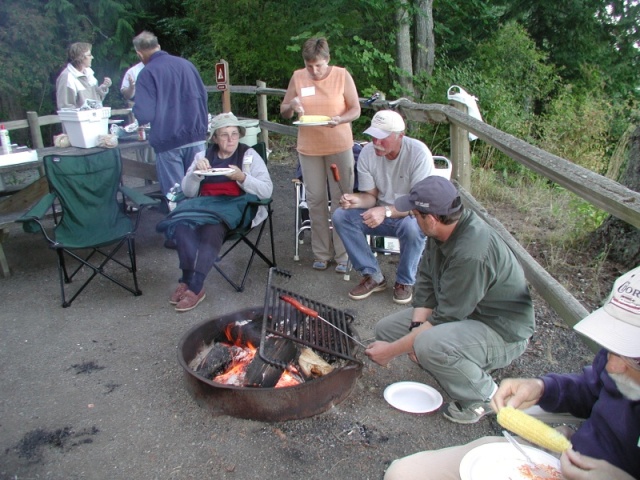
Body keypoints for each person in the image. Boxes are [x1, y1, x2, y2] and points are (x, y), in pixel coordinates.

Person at [383, 265, 640, 480]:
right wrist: (542, 387)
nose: (612, 366)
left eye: (634, 359)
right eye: (611, 349)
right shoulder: (615, 362)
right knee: (403, 473)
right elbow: (591, 389)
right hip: (563, 457)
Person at [365, 176, 535, 422]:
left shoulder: (471, 254)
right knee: (387, 329)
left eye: (415, 214)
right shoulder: (441, 232)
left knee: (428, 344)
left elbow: (445, 318)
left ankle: (485, 397)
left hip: (502, 331)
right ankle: (457, 360)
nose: (412, 217)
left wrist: (392, 352)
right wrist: (415, 328)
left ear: (431, 219)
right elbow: (425, 281)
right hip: (468, 313)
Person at [156, 113, 272, 312]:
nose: (230, 139)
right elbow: (188, 192)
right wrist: (195, 175)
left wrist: (243, 177)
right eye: (224, 135)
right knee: (183, 226)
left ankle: (197, 286)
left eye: (235, 134)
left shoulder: (249, 156)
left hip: (234, 209)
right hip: (204, 206)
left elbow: (267, 190)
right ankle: (186, 278)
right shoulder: (202, 156)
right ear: (215, 138)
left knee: (212, 229)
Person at [332, 110, 434, 304]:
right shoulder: (367, 153)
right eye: (373, 136)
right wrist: (356, 200)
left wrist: (386, 211)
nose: (376, 142)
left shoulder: (418, 153)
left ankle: (404, 281)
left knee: (413, 227)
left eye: (382, 137)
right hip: (380, 214)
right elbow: (371, 197)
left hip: (409, 215)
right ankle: (373, 275)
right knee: (341, 216)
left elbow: (420, 204)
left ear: (400, 136)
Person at [280, 37, 361, 273]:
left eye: (319, 65)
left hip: (339, 143)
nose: (314, 71)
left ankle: (344, 254)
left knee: (342, 199)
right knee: (315, 199)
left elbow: (355, 109)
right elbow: (285, 111)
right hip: (309, 147)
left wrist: (340, 119)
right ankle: (321, 253)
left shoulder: (342, 75)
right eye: (309, 66)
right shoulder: (298, 77)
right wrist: (292, 105)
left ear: (328, 60)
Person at [131, 31, 208, 196]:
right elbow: (204, 97)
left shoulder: (147, 73)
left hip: (169, 141)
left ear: (139, 53)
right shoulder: (187, 65)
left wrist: (136, 109)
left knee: (177, 194)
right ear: (158, 46)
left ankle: (180, 221)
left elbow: (145, 114)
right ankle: (201, 221)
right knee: (198, 190)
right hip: (197, 138)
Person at [55, 42, 112, 110]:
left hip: (95, 119)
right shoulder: (67, 77)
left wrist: (104, 87)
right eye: (89, 55)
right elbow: (65, 108)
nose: (92, 57)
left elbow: (96, 101)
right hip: (80, 120)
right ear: (80, 57)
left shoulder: (89, 73)